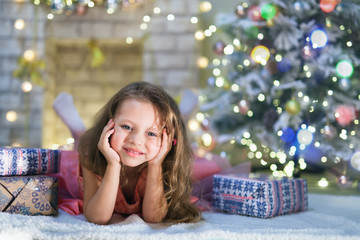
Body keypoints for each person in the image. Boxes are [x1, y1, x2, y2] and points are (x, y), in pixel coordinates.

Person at [78, 81, 202, 224]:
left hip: (163, 157)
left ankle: (182, 116)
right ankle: (77, 130)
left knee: (211, 166)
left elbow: (154, 218)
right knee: (82, 141)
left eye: (151, 133)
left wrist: (156, 165)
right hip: (92, 147)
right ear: (108, 124)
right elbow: (97, 218)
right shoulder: (90, 156)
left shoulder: (168, 162)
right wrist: (113, 165)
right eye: (126, 126)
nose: (136, 141)